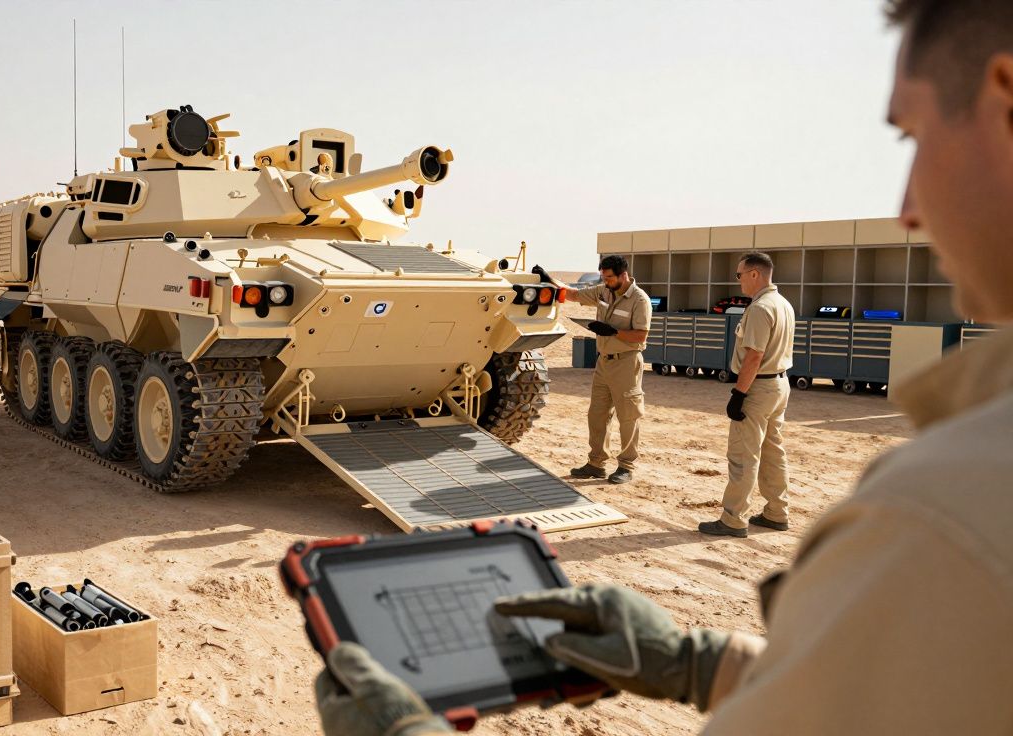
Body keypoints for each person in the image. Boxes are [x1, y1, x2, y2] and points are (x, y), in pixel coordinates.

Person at [311, 0, 1013, 732]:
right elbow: (880, 695)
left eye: (914, 135)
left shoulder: (949, 511)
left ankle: (709, 502)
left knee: (683, 438)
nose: (906, 206)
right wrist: (701, 664)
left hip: (679, 378)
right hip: (708, 390)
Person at [698, 252, 795, 538]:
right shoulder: (783, 304)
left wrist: (739, 393)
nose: (738, 281)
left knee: (743, 455)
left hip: (759, 387)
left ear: (755, 274)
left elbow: (754, 355)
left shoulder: (760, 308)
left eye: (739, 275)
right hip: (779, 385)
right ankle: (777, 512)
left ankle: (733, 519)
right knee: (773, 451)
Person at [566, 254, 652, 484]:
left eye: (609, 277)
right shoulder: (603, 291)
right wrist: (548, 281)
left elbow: (641, 335)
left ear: (623, 275)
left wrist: (612, 331)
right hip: (603, 363)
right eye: (603, 277)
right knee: (597, 414)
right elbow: (573, 295)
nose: (606, 281)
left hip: (626, 362)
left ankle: (626, 466)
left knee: (628, 417)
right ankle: (596, 463)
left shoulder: (639, 300)